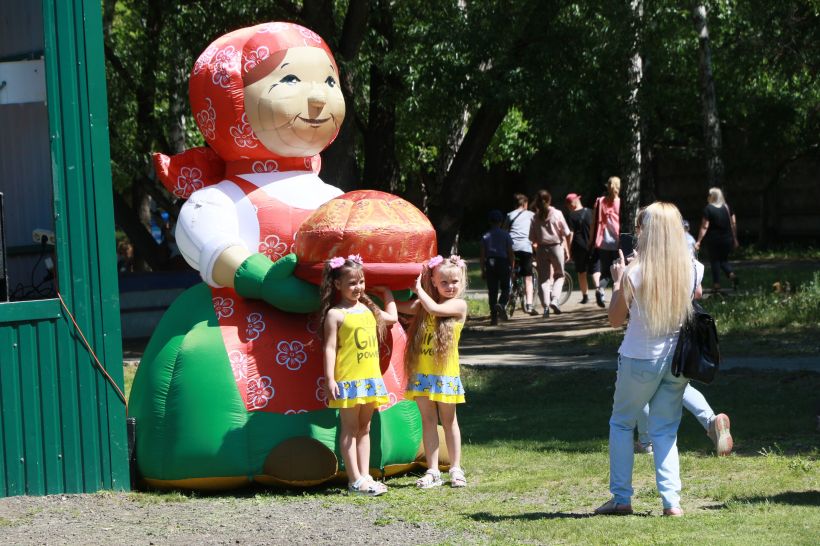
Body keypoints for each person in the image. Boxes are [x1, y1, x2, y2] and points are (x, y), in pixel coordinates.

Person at [595, 202, 704, 517]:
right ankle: (672, 503)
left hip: (639, 358)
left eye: (639, 227)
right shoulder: (694, 268)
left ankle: (621, 497)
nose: (636, 233)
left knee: (621, 422)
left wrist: (620, 279)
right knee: (665, 430)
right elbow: (693, 298)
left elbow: (615, 319)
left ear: (649, 232)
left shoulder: (636, 271)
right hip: (677, 361)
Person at [320, 255, 398, 496]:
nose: (358, 287)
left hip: (370, 380)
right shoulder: (335, 314)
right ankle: (354, 480)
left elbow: (393, 318)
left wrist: (387, 294)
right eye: (352, 283)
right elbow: (330, 348)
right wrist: (330, 379)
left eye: (361, 281)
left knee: (365, 428)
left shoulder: (367, 308)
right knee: (349, 428)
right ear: (337, 285)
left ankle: (365, 476)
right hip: (349, 381)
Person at [402, 255, 469, 489]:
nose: (451, 287)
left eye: (455, 282)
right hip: (422, 374)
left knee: (449, 422)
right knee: (428, 421)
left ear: (462, 282)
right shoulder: (424, 304)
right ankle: (432, 471)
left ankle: (456, 468)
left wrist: (418, 288)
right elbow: (401, 308)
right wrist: (380, 294)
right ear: (435, 281)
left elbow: (434, 308)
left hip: (445, 376)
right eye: (444, 283)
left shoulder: (457, 305)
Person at [634, 385, 733, 456]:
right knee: (683, 387)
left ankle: (646, 443)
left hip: (645, 360)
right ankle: (711, 421)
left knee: (642, 390)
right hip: (672, 358)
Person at [529, 190, 571, 317]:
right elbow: (567, 233)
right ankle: (555, 299)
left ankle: (546, 307)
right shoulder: (557, 214)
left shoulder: (534, 217)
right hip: (556, 247)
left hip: (541, 249)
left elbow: (532, 238)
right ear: (549, 200)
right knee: (559, 275)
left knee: (544, 279)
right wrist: (567, 248)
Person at [695, 187, 739, 292]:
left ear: (713, 196)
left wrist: (699, 241)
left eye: (709, 195)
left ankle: (716, 285)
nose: (708, 197)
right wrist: (735, 238)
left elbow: (705, 226)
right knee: (723, 260)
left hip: (714, 240)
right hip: (727, 239)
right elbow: (733, 223)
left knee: (714, 261)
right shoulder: (727, 207)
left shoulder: (708, 209)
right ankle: (731, 275)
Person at [589, 176, 621, 308]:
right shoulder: (621, 202)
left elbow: (593, 223)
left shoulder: (600, 201)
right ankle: (616, 301)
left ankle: (600, 290)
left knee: (606, 272)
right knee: (618, 273)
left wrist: (591, 240)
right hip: (617, 242)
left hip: (602, 242)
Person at [481, 209, 515, 325]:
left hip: (490, 263)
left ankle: (493, 318)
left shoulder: (486, 236)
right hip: (503, 262)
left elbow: (482, 255)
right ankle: (501, 303)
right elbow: (510, 252)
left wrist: (483, 270)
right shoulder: (505, 235)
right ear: (501, 222)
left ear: (490, 222)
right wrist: (512, 266)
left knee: (492, 291)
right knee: (506, 287)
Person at [505, 193, 537, 314]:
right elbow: (535, 231)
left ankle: (511, 290)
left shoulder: (509, 215)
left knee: (512, 270)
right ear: (525, 204)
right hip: (525, 247)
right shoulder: (531, 215)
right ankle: (529, 305)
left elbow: (504, 231)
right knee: (528, 277)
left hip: (511, 247)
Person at [566, 193, 593, 304]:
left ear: (571, 204)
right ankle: (600, 291)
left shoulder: (571, 216)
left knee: (582, 272)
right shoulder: (589, 212)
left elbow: (570, 234)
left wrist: (568, 248)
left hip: (578, 246)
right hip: (591, 244)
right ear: (577, 200)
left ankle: (585, 296)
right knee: (595, 270)